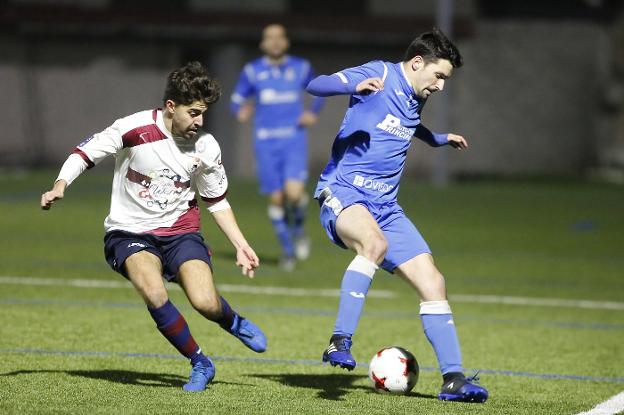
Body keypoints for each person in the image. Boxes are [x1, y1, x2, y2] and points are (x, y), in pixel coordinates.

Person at [40, 61, 267, 392]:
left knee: (204, 301)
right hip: (128, 232)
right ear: (171, 107)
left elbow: (215, 200)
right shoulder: (134, 128)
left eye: (203, 113)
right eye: (193, 112)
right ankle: (200, 362)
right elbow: (85, 152)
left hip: (180, 232)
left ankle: (231, 320)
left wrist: (240, 244)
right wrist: (61, 184)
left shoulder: (206, 146)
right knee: (153, 290)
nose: (199, 121)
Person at [306, 29, 489, 403]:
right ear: (417, 62)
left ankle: (453, 380)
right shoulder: (381, 74)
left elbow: (404, 124)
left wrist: (436, 138)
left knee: (434, 282)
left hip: (386, 206)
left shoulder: (415, 95)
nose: (440, 86)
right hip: (343, 192)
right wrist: (349, 87)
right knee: (373, 244)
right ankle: (338, 341)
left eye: (446, 80)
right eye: (438, 76)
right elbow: (315, 84)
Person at [230, 23, 324, 270]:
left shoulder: (301, 67)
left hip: (293, 140)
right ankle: (288, 252)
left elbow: (319, 90)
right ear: (262, 44)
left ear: (286, 42)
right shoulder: (252, 71)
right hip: (265, 142)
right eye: (269, 38)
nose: (274, 42)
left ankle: (300, 230)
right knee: (277, 199)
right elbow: (236, 100)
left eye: (278, 37)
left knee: (294, 194)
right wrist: (242, 110)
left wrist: (312, 112)